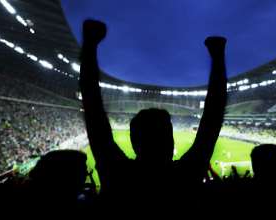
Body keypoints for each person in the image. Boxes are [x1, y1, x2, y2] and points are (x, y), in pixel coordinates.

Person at [79, 19, 227, 213]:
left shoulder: (117, 173)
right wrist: (218, 57)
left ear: (133, 142)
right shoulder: (184, 175)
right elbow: (212, 120)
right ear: (171, 141)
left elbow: (93, 113)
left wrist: (90, 44)